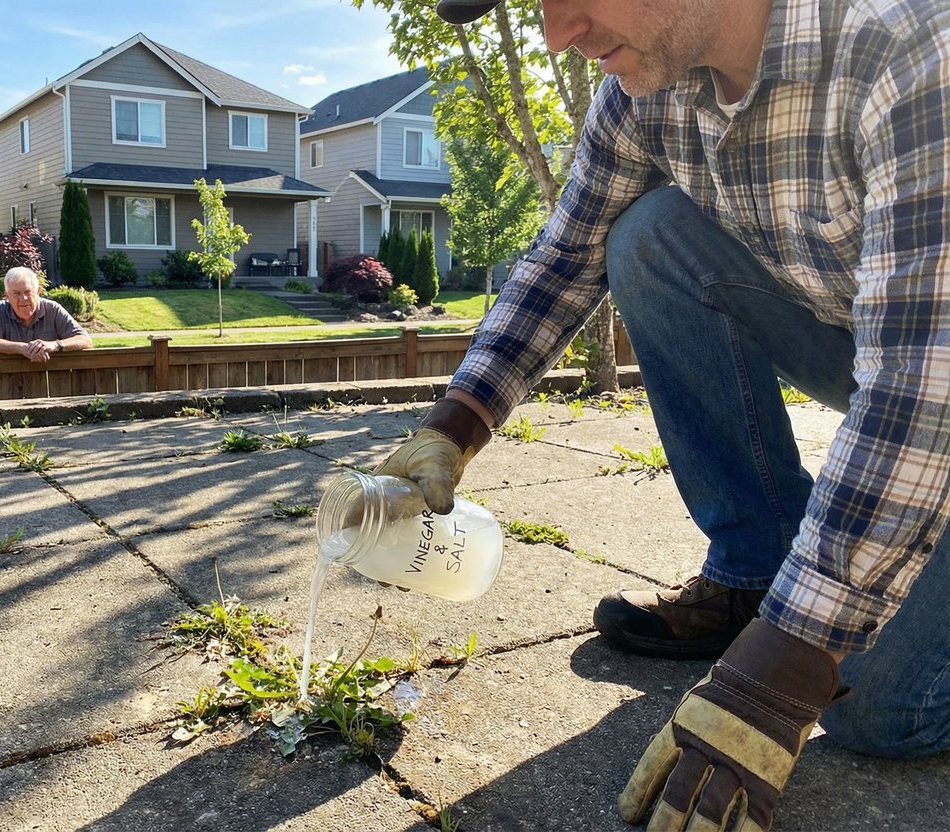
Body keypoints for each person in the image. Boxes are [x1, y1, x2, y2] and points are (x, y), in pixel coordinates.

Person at [381, 0, 950, 829]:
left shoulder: (906, 43)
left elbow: (920, 384)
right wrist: (456, 423)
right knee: (645, 237)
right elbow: (566, 257)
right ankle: (757, 570)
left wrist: (779, 675)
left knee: (876, 708)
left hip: (928, 368)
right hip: (867, 344)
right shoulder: (646, 88)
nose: (557, 34)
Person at [0, 267, 92, 362]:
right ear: (7, 296)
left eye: (28, 292)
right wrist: (23, 348)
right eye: (16, 294)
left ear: (38, 292)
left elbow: (85, 339)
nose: (23, 298)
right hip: (8, 385)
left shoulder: (52, 309)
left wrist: (55, 345)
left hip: (53, 383)